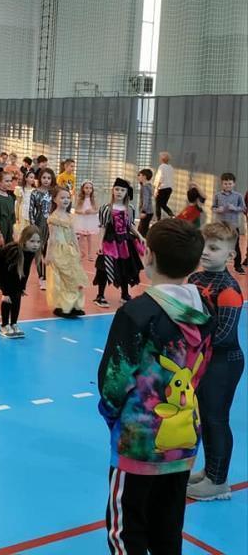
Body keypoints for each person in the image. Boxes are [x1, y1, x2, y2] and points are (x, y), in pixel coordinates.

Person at [98, 219, 214, 555]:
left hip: (139, 441)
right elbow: (200, 368)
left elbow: (114, 380)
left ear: (147, 255)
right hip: (184, 438)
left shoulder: (137, 313)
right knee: (168, 527)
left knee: (125, 531)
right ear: (195, 263)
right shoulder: (205, 310)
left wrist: (114, 417)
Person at [186, 222, 244, 501]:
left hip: (224, 362)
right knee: (204, 419)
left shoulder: (230, 289)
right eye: (204, 247)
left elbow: (224, 335)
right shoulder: (195, 279)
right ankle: (211, 471)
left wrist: (191, 341)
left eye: (214, 248)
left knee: (216, 419)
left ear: (230, 256)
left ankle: (219, 482)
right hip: (203, 358)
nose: (206, 252)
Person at [94, 178, 144, 308]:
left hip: (125, 243)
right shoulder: (106, 208)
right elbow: (103, 227)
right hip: (110, 243)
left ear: (126, 192)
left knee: (125, 267)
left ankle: (125, 294)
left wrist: (140, 236)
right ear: (112, 190)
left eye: (122, 190)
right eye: (117, 189)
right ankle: (100, 295)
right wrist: (100, 244)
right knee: (104, 268)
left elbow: (130, 225)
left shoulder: (130, 208)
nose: (119, 192)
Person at [46, 187, 88, 318]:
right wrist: (49, 254)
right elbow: (52, 237)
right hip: (59, 250)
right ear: (55, 199)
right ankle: (62, 306)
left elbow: (73, 235)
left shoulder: (70, 217)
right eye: (62, 197)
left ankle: (74, 305)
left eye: (68, 198)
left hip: (71, 250)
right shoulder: (53, 218)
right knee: (62, 279)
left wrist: (78, 249)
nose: (66, 200)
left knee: (74, 277)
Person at [0, 225, 42, 339]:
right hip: (1, 269)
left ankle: (14, 323)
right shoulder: (14, 251)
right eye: (32, 241)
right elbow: (3, 272)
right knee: (8, 298)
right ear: (24, 240)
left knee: (17, 296)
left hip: (12, 271)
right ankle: (4, 325)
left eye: (38, 242)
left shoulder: (30, 252)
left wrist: (22, 286)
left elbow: (26, 269)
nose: (35, 245)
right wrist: (5, 291)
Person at [211, 172, 245, 273]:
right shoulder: (217, 195)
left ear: (234, 184)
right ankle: (219, 265)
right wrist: (218, 210)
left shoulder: (238, 196)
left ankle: (237, 266)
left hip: (233, 226)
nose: (228, 185)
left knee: (235, 246)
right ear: (222, 184)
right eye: (225, 183)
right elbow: (213, 208)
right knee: (220, 245)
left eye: (230, 183)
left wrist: (235, 208)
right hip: (221, 226)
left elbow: (244, 208)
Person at [29, 168, 55, 290]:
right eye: (44, 177)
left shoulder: (54, 192)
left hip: (52, 224)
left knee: (49, 250)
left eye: (49, 178)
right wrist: (33, 225)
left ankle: (49, 276)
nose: (46, 180)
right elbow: (31, 210)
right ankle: (41, 277)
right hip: (39, 224)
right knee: (39, 250)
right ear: (40, 178)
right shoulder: (35, 193)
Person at [73, 180, 98, 261]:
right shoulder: (80, 199)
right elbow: (76, 210)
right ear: (83, 189)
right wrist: (83, 212)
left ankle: (90, 254)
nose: (88, 190)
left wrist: (92, 211)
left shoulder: (93, 199)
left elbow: (96, 210)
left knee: (89, 238)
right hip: (82, 220)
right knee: (81, 238)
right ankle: (80, 253)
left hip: (90, 220)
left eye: (90, 188)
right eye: (86, 188)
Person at [154, 151, 175, 219]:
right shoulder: (171, 167)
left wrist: (156, 189)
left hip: (162, 188)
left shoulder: (162, 167)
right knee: (163, 204)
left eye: (160, 157)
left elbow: (160, 178)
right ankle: (172, 215)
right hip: (169, 188)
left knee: (158, 205)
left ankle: (158, 219)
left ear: (162, 159)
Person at [15, 170, 36, 238]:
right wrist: (17, 215)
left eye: (33, 178)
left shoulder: (35, 190)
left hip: (32, 212)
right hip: (22, 211)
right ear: (26, 178)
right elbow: (18, 203)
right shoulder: (20, 189)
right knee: (22, 230)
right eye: (31, 177)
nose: (33, 179)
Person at [137, 168, 154, 237]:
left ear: (144, 176)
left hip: (146, 212)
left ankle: (144, 242)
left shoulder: (145, 187)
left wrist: (143, 211)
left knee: (141, 232)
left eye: (139, 175)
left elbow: (145, 200)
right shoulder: (149, 186)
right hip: (149, 211)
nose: (138, 177)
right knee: (143, 229)